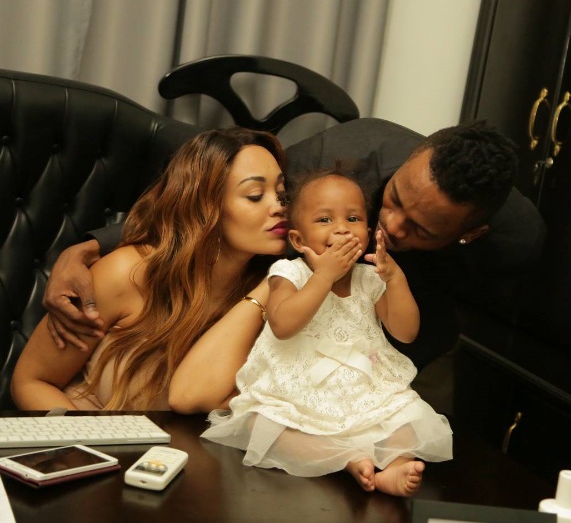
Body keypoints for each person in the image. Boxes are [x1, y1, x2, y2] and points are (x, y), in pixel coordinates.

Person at [41, 118, 545, 375]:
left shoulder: (514, 244)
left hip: (411, 338)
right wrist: (86, 249)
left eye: (420, 229)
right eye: (392, 200)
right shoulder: (340, 159)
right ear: (413, 157)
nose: (391, 226)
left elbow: (451, 325)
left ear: (469, 234)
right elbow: (211, 202)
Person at [201, 171, 453, 496]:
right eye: (324, 219)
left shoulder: (369, 278)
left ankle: (396, 464)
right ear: (298, 240)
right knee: (260, 423)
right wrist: (323, 276)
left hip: (364, 388)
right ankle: (349, 459)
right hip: (298, 388)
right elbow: (283, 325)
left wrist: (395, 279)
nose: (342, 228)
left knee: (408, 414)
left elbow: (406, 332)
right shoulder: (288, 273)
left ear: (368, 232)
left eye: (353, 218)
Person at [11, 128, 289, 411]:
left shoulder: (277, 290)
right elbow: (31, 381)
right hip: (85, 434)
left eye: (282, 193)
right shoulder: (126, 273)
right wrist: (87, 438)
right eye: (255, 195)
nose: (279, 207)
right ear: (204, 206)